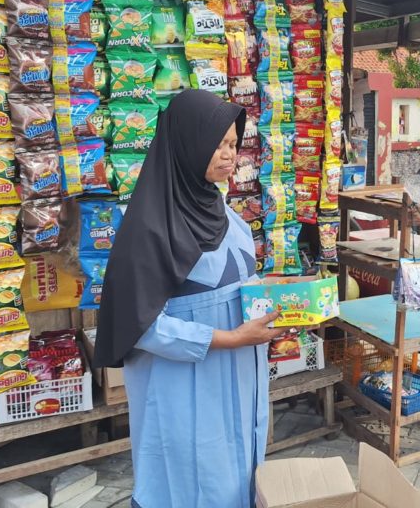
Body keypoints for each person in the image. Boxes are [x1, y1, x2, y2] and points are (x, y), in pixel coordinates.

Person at [93, 89, 283, 508]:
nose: (229, 155)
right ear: (187, 144)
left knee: (237, 476)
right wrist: (230, 338)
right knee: (188, 480)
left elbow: (243, 284)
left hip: (239, 377)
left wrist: (283, 303)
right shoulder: (149, 229)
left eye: (233, 143)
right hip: (182, 384)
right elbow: (139, 325)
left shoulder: (227, 215)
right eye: (217, 144)